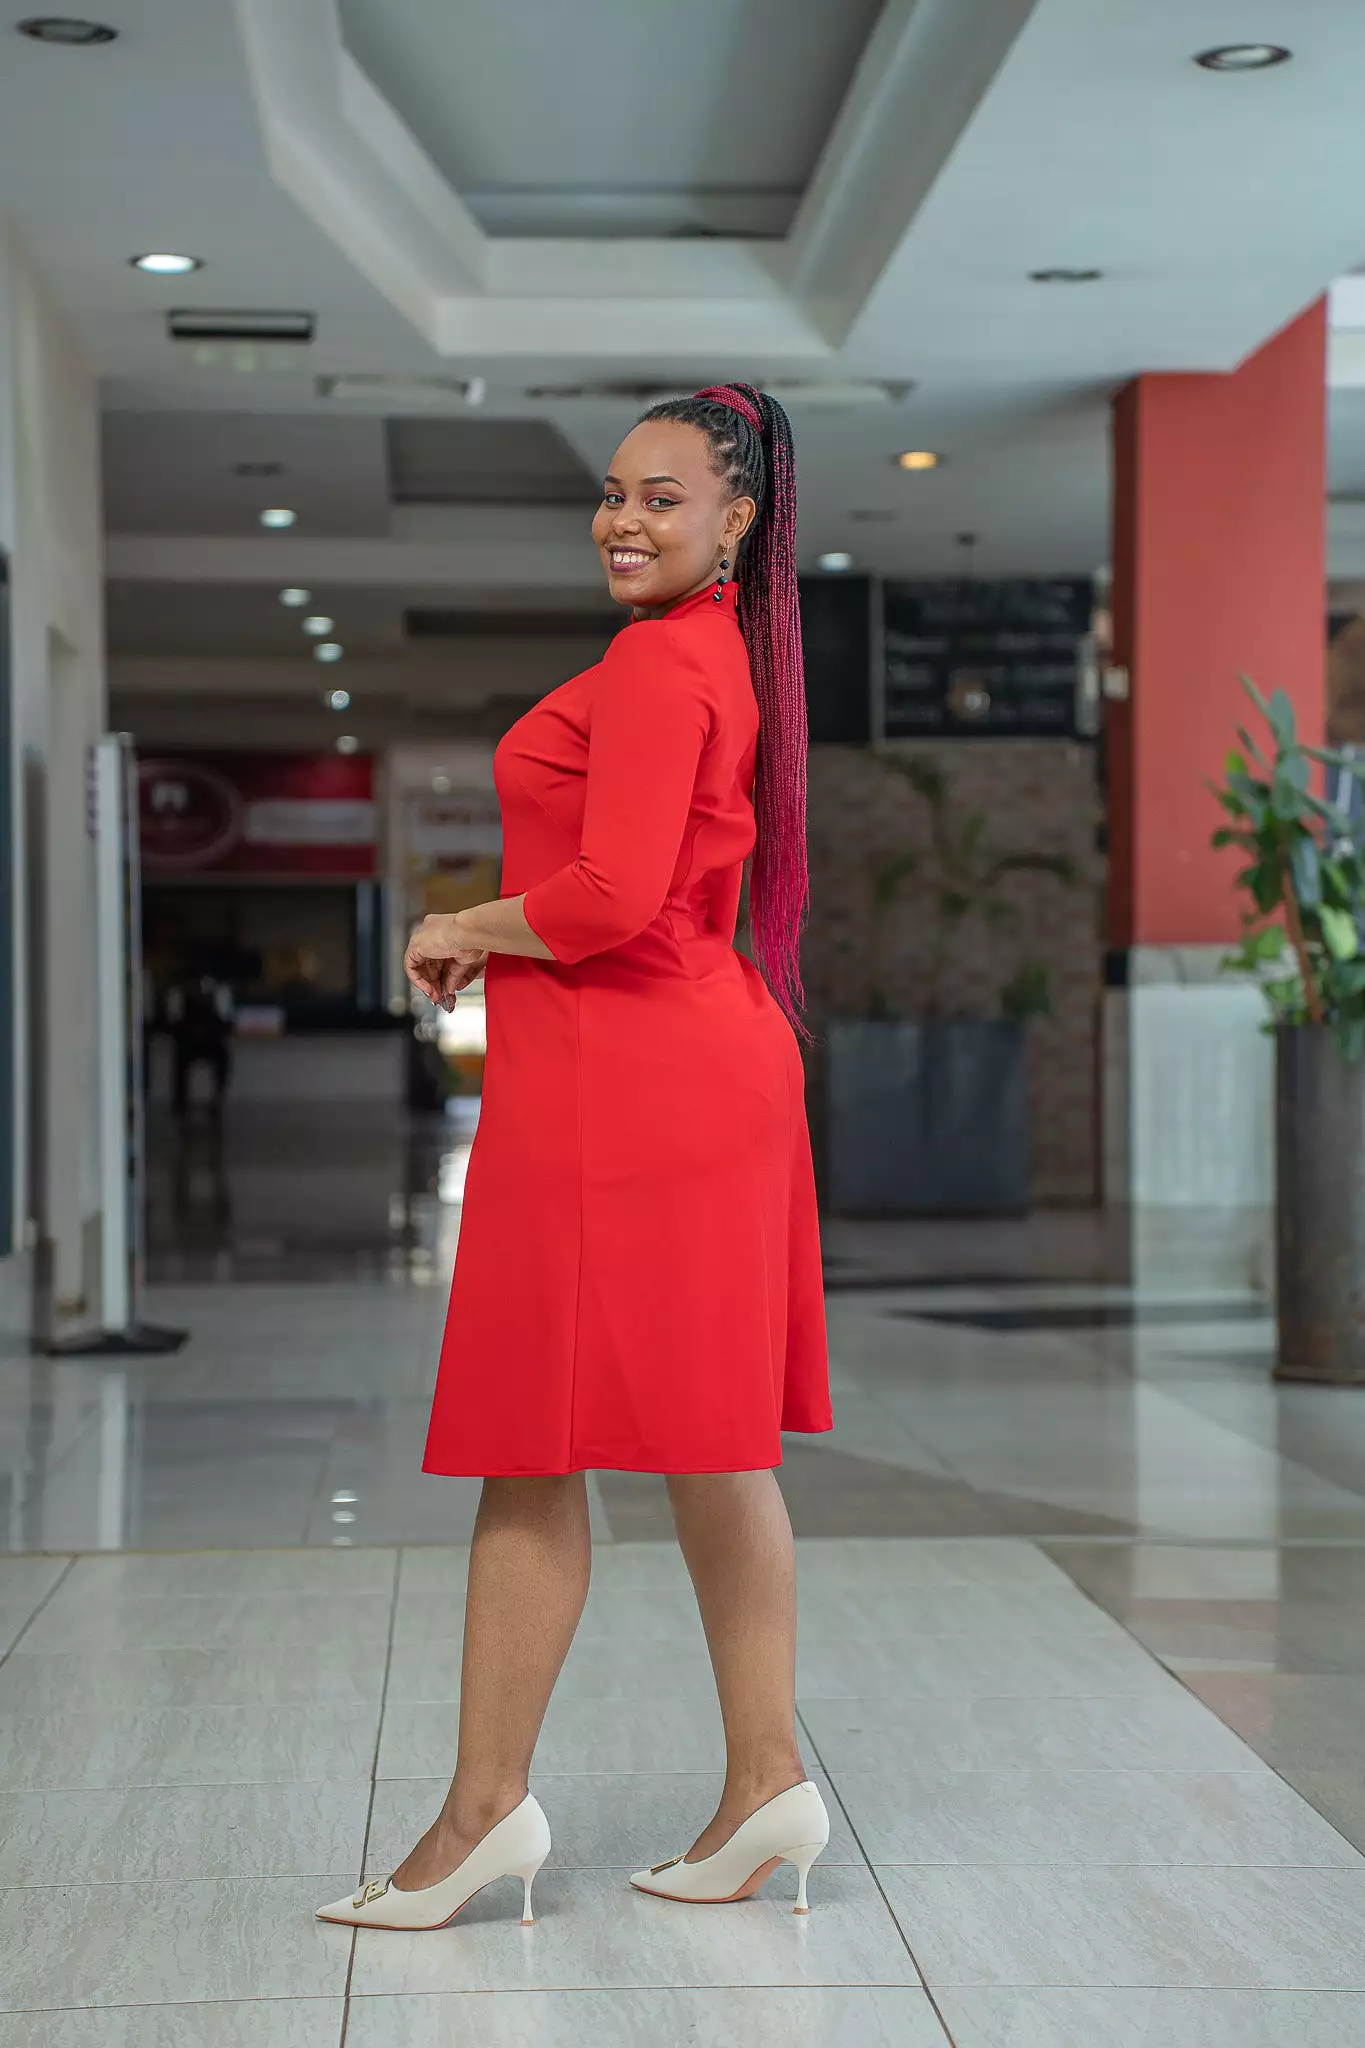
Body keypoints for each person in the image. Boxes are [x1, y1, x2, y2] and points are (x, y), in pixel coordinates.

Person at [317, 385, 832, 1934]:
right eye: (611, 493)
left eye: (661, 498)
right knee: (705, 1438)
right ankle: (763, 1786)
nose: (622, 518)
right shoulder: (709, 655)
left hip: (637, 1086)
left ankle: (483, 1815)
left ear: (736, 521)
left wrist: (458, 926)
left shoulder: (663, 659)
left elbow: (605, 896)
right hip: (681, 1068)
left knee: (537, 1433)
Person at [164, 966, 234, 1119]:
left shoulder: (219, 991)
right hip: (188, 1040)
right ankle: (180, 1101)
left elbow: (225, 1017)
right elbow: (174, 1019)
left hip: (211, 1040)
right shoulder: (179, 991)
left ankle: (217, 1098)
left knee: (222, 1060)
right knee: (180, 1062)